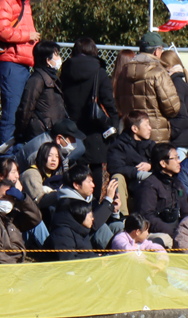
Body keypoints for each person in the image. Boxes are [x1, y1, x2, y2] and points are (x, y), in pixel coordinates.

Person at [60, 37, 119, 201]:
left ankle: (74, 202)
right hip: (95, 128)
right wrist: (113, 128)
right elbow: (109, 103)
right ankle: (93, 209)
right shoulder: (99, 72)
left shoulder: (65, 71)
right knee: (96, 171)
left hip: (71, 127)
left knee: (74, 169)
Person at [114, 32, 180, 145]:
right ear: (156, 51)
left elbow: (118, 104)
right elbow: (173, 107)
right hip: (155, 134)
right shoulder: (158, 72)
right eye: (161, 49)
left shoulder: (124, 71)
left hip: (129, 134)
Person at [0, 0, 39, 147]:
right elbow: (1, 30)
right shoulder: (6, 2)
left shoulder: (24, 3)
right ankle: (6, 161)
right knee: (11, 114)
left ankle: (16, 158)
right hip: (11, 62)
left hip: (21, 62)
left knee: (20, 114)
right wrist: (28, 35)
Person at [49, 176, 121, 259]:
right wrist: (108, 201)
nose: (93, 185)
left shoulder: (89, 202)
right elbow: (68, 261)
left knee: (118, 226)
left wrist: (114, 211)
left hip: (87, 255)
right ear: (76, 185)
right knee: (102, 228)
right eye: (89, 182)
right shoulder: (66, 205)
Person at [132, 143, 187, 246]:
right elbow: (147, 216)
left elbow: (186, 211)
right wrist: (173, 231)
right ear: (163, 163)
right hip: (158, 233)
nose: (178, 161)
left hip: (178, 230)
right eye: (174, 158)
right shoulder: (149, 186)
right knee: (164, 240)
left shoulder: (177, 184)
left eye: (178, 157)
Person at [16, 41, 66, 143]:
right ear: (48, 60)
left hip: (53, 130)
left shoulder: (53, 78)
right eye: (56, 55)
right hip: (41, 132)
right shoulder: (37, 79)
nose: (59, 58)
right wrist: (20, 131)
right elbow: (27, 106)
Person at [107, 111, 155, 214]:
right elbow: (114, 167)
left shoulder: (151, 145)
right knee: (117, 177)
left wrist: (150, 166)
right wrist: (137, 173)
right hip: (129, 190)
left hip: (148, 189)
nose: (150, 128)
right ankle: (123, 217)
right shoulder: (119, 145)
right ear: (135, 129)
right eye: (146, 125)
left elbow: (161, 164)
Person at [159, 50, 188, 159]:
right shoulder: (179, 81)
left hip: (179, 143)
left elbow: (182, 116)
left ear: (169, 66)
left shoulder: (176, 84)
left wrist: (169, 134)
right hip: (182, 140)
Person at [16, 118, 86, 173]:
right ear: (59, 138)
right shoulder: (40, 150)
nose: (75, 142)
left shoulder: (59, 145)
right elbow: (33, 176)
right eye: (72, 139)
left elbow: (64, 165)